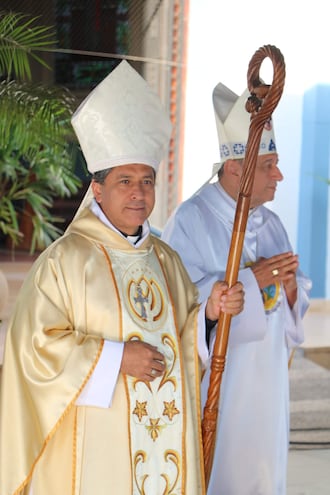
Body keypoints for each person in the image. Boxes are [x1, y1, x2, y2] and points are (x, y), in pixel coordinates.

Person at [0, 62, 244, 495]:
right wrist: (114, 359)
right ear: (97, 189)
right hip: (96, 448)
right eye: (125, 181)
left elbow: (186, 345)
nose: (138, 193)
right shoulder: (63, 262)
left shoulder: (166, 260)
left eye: (146, 181)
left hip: (162, 445)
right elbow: (34, 350)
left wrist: (208, 312)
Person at [162, 82, 312, 494]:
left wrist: (292, 292)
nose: (279, 174)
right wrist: (250, 280)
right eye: (269, 166)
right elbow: (180, 304)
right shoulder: (191, 220)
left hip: (268, 386)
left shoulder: (272, 222)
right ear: (235, 169)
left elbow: (288, 311)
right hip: (223, 390)